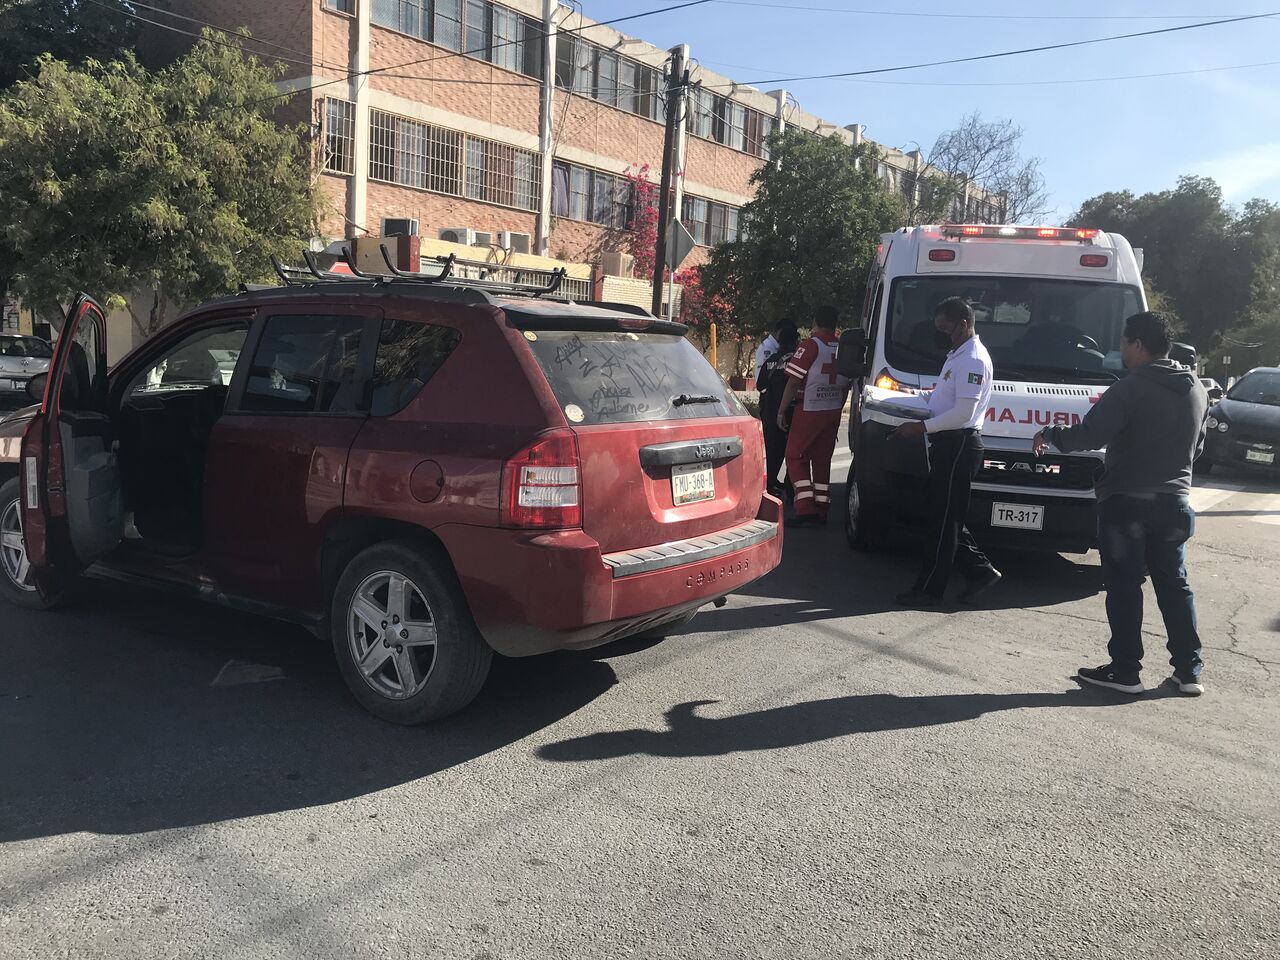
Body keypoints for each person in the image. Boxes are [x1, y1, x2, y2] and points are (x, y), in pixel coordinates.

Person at [1033, 311, 1208, 697]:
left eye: (1124, 343)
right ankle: (1188, 670)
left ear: (1139, 345)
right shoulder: (1196, 388)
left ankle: (1126, 670)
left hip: (1127, 502)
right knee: (1175, 584)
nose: (1121, 350)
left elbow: (1090, 434)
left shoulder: (1130, 388)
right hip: (1176, 502)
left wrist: (1050, 434)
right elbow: (1197, 447)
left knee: (1126, 585)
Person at [893, 297, 1002, 607]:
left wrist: (921, 428)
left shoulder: (973, 360)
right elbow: (944, 398)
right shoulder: (958, 354)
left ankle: (929, 590)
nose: (940, 334)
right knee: (943, 515)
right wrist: (910, 396)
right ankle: (980, 571)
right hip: (949, 444)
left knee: (943, 522)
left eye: (944, 328)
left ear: (963, 325)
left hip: (959, 445)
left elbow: (963, 414)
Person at [776, 306, 849, 526]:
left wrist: (781, 410)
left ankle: (805, 507)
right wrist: (838, 406)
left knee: (795, 456)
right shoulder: (843, 347)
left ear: (815, 322)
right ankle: (821, 508)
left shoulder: (810, 345)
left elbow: (793, 381)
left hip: (809, 408)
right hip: (832, 410)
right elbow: (847, 385)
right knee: (821, 460)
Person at [757, 323, 799, 498]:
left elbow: (760, 385)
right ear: (796, 341)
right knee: (794, 454)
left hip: (771, 414)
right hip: (793, 415)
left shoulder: (771, 361)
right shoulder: (798, 362)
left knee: (772, 454)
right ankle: (791, 488)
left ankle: (769, 487)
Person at [754, 320, 791, 387]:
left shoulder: (775, 346)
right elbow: (764, 372)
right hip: (768, 388)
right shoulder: (767, 348)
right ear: (780, 331)